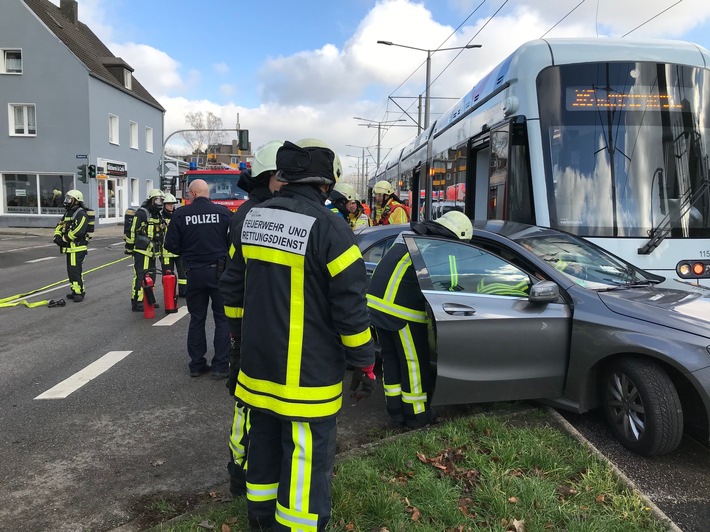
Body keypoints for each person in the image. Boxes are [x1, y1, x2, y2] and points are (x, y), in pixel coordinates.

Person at [223, 138, 376, 531]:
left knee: (265, 448)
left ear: (285, 177)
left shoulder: (252, 219)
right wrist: (363, 360)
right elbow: (350, 306)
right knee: (306, 458)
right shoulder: (331, 228)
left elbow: (233, 290)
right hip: (308, 378)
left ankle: (260, 518)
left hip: (258, 371)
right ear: (327, 184)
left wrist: (238, 343)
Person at [219, 139, 284, 498]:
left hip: (259, 327)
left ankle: (249, 473)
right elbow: (235, 281)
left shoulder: (259, 209)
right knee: (246, 405)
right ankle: (240, 475)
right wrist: (240, 339)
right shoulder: (252, 215)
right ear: (268, 177)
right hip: (252, 331)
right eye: (283, 178)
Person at [367, 210, 473, 429]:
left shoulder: (414, 234)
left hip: (377, 304)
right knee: (413, 363)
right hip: (401, 310)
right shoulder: (443, 245)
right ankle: (417, 417)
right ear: (459, 235)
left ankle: (396, 412)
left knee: (391, 359)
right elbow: (453, 283)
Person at [164, 179, 232, 379]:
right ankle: (220, 366)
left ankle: (196, 365)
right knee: (222, 318)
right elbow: (233, 242)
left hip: (193, 272)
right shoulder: (224, 214)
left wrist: (188, 251)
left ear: (192, 194)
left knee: (197, 318)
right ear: (206, 193)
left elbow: (171, 246)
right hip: (220, 273)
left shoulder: (180, 214)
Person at [125, 189, 165, 312]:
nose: (160, 202)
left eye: (161, 200)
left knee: (151, 277)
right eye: (157, 200)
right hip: (142, 251)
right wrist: (129, 247)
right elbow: (132, 231)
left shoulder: (157, 214)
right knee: (141, 276)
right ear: (151, 200)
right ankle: (137, 301)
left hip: (153, 252)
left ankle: (148, 300)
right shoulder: (142, 213)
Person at [53, 189, 90, 302]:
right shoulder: (68, 213)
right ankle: (75, 291)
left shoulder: (81, 213)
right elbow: (60, 226)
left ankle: (79, 292)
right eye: (67, 198)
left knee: (75, 271)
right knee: (71, 271)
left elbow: (79, 230)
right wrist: (57, 236)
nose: (67, 201)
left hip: (77, 248)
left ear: (76, 200)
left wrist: (64, 239)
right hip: (70, 248)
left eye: (69, 199)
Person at [159, 193, 187, 296]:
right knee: (167, 274)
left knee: (183, 273)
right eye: (169, 204)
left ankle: (184, 292)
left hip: (179, 251)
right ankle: (169, 292)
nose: (171, 206)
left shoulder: (178, 216)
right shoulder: (159, 217)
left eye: (173, 204)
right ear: (164, 205)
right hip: (166, 252)